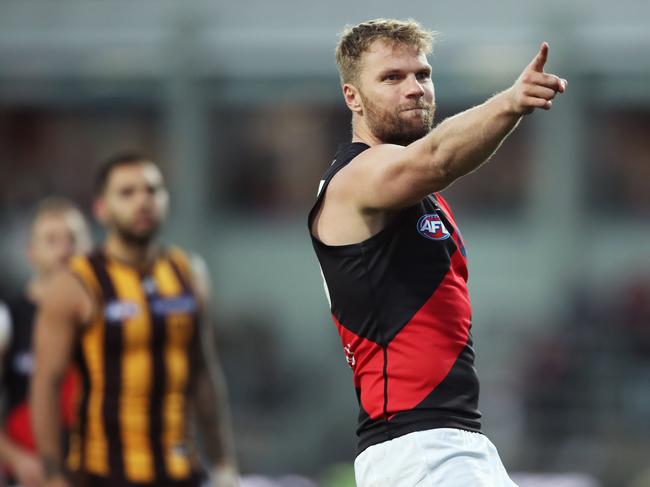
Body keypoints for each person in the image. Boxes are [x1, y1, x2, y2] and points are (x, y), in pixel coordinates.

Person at [308, 18, 567, 486]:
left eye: (422, 75)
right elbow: (436, 159)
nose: (414, 89)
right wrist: (509, 102)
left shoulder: (418, 196)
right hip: (418, 448)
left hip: (449, 441)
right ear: (353, 97)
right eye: (391, 78)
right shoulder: (354, 178)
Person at [30, 153, 238, 487]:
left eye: (153, 190)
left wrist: (224, 463)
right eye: (127, 193)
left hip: (180, 470)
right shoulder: (75, 285)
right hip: (103, 473)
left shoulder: (189, 273)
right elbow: (46, 385)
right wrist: (53, 475)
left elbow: (203, 372)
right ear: (101, 208)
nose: (143, 201)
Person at [0, 197, 92, 487]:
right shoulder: (7, 318)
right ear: (31, 252)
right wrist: (17, 460)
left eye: (73, 240)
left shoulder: (107, 316)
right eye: (51, 240)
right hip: (31, 472)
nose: (65, 250)